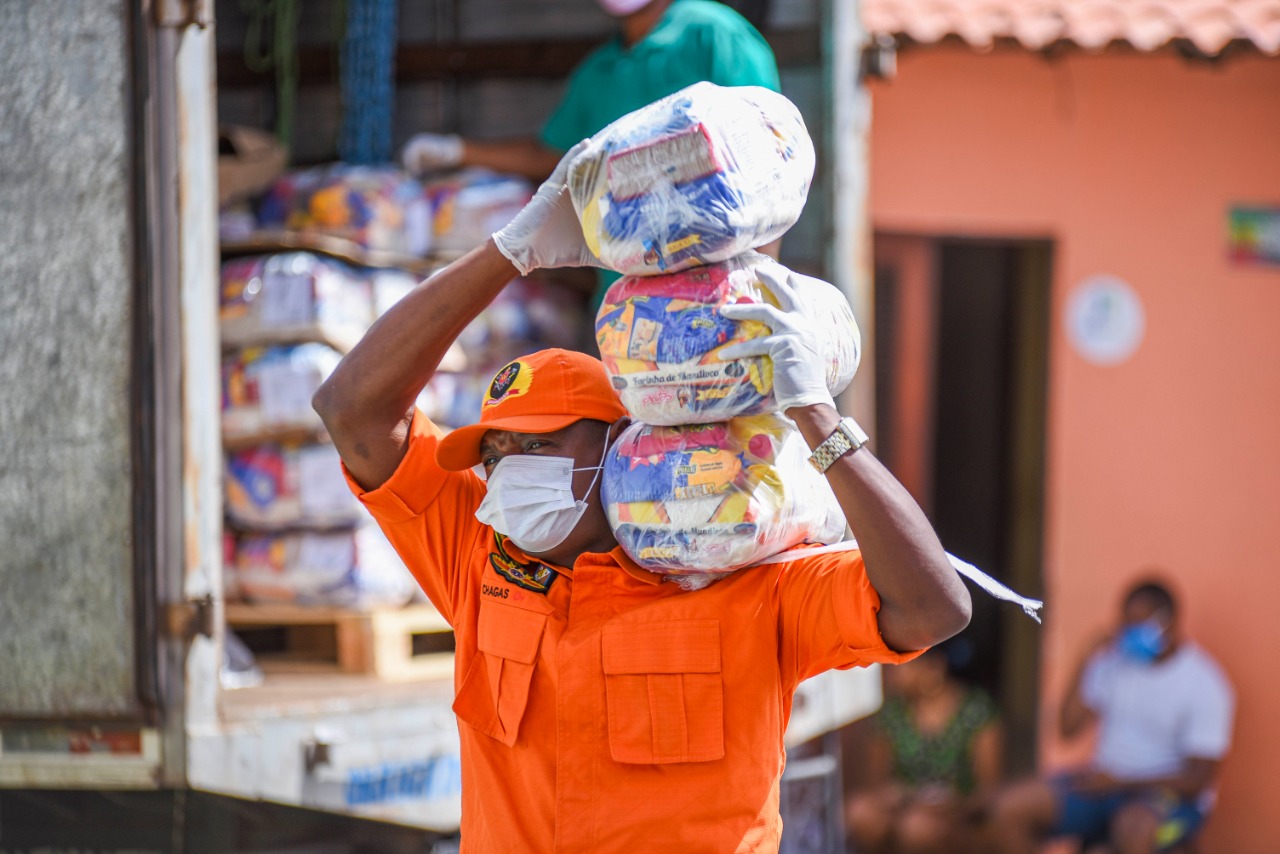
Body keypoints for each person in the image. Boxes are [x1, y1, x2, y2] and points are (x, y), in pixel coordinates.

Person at [312, 143, 971, 850]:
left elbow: (935, 609)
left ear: (624, 450)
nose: (508, 474)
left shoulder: (743, 586)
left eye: (538, 445)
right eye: (495, 453)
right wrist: (510, 254)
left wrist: (815, 414)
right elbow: (352, 413)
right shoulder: (479, 564)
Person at [401, 0, 781, 182]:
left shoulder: (714, 36)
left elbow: (776, 153)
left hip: (716, 288)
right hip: (624, 295)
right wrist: (459, 150)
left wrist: (757, 285)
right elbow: (555, 153)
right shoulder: (599, 70)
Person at [989, 578, 1234, 854]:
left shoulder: (1204, 683)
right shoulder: (1115, 664)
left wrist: (1121, 780)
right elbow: (1068, 728)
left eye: (1139, 624)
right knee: (1007, 809)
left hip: (1164, 797)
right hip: (1102, 786)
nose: (1129, 632)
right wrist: (1084, 657)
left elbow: (1196, 780)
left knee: (1133, 828)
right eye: (1126, 623)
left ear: (1168, 621)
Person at [844, 643, 1003, 854]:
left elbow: (989, 792)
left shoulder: (977, 712)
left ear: (934, 669)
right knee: (859, 814)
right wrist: (901, 797)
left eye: (899, 666)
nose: (890, 675)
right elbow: (878, 783)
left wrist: (953, 805)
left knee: (918, 829)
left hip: (960, 815)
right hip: (905, 808)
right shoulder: (892, 714)